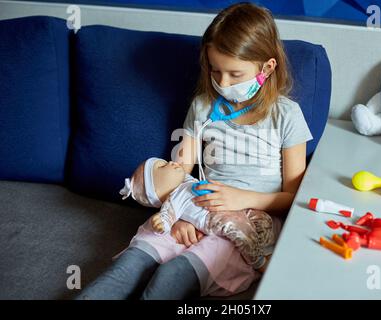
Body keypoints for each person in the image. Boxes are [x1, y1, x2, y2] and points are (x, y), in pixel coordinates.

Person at [76, 2, 312, 300]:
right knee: (129, 265)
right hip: (197, 206)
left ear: (267, 67)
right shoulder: (202, 107)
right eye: (215, 71)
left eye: (235, 74)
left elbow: (294, 197)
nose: (223, 83)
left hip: (250, 221)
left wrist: (242, 199)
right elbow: (180, 172)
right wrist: (182, 214)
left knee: (170, 279)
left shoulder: (287, 116)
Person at [118, 157, 276, 270]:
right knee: (238, 229)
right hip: (214, 218)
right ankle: (258, 261)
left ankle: (265, 247)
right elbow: (167, 214)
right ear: (157, 190)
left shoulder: (186, 180)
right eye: (163, 166)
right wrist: (163, 222)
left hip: (232, 205)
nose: (171, 162)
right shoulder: (174, 198)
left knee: (262, 218)